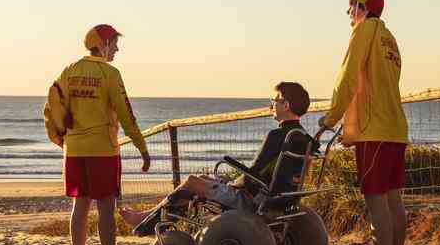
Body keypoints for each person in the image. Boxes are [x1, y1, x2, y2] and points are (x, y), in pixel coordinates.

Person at [121, 81, 311, 233]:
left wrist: (232, 184)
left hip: (254, 200)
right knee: (203, 180)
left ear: (285, 105)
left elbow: (253, 174)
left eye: (275, 100)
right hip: (282, 199)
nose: (271, 105)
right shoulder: (304, 138)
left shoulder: (277, 136)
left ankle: (146, 222)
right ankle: (147, 214)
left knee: (192, 181)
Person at [320, 0, 408, 245]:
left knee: (376, 203)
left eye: (351, 7)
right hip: (396, 128)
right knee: (395, 202)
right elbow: (376, 85)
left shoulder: (363, 31)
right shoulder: (389, 38)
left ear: (362, 8)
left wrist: (331, 117)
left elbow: (348, 77)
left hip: (376, 132)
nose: (348, 14)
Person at [44, 24, 150, 245]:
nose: (117, 49)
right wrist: (142, 148)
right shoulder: (109, 73)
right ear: (102, 45)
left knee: (79, 207)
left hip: (74, 150)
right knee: (105, 208)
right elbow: (126, 114)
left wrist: (61, 139)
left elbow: (52, 106)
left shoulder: (69, 71)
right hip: (103, 151)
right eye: (114, 43)